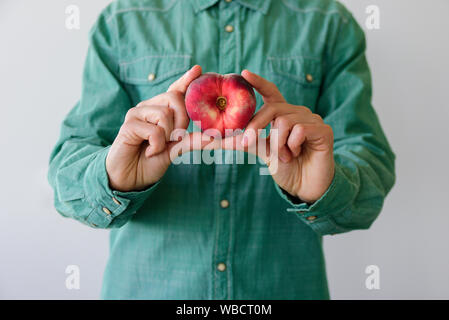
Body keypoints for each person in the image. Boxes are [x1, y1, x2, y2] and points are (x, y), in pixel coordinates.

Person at [48, 0, 395, 299]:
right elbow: (66, 173)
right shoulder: (124, 20)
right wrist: (114, 178)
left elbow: (371, 168)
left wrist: (326, 187)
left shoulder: (328, 22)